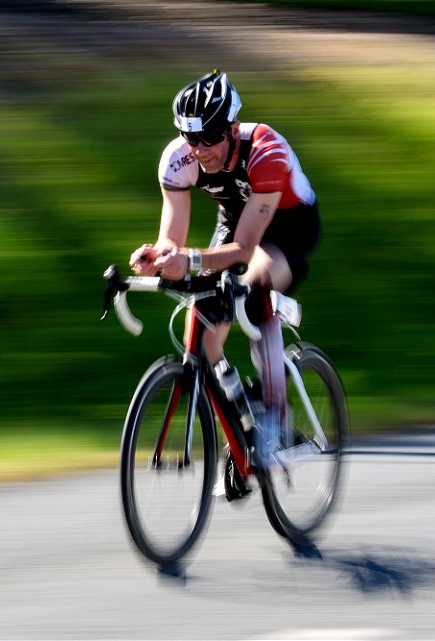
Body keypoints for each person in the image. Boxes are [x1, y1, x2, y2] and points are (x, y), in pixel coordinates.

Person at [128, 69, 321, 463]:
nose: (200, 149)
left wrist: (193, 260)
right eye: (190, 137)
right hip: (235, 220)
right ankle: (240, 419)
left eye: (210, 137)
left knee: (254, 289)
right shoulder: (178, 160)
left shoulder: (267, 151)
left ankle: (277, 418)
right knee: (201, 329)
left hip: (288, 226)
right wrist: (159, 256)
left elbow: (247, 247)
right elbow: (173, 239)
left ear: (232, 127)